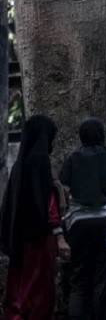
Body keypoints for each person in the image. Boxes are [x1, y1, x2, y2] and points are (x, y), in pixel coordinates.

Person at [0, 115, 70, 320]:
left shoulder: (19, 166)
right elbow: (47, 203)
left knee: (19, 288)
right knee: (38, 290)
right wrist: (59, 236)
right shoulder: (40, 162)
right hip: (38, 239)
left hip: (19, 238)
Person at [59, 118, 106, 320]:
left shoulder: (73, 158)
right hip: (105, 222)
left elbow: (63, 189)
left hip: (78, 224)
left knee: (79, 280)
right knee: (102, 277)